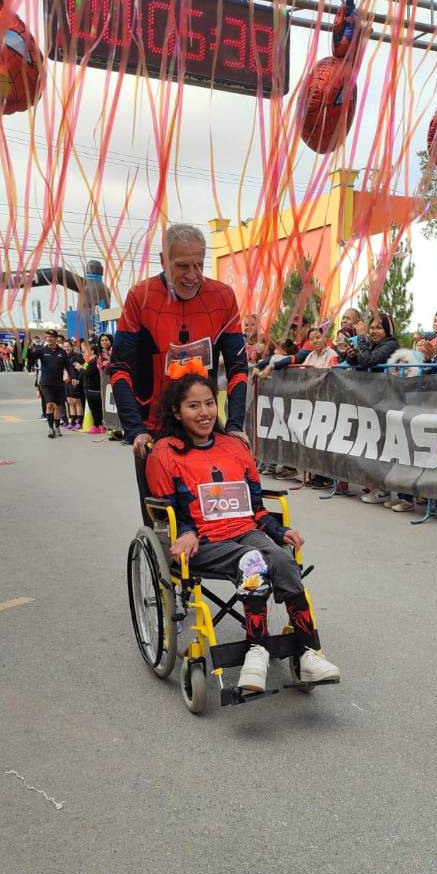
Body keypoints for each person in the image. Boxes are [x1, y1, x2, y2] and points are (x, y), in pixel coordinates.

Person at [145, 373, 340, 693]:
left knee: (280, 557)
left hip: (245, 531)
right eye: (193, 405)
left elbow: (257, 508)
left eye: (209, 403)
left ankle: (308, 652)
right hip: (203, 542)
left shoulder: (234, 447)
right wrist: (187, 533)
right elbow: (165, 514)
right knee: (253, 560)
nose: (204, 412)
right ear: (177, 412)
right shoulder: (165, 453)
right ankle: (258, 650)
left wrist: (280, 532)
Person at [109, 223, 248, 516]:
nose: (192, 275)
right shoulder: (140, 297)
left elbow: (238, 370)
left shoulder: (222, 297)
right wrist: (135, 430)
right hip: (153, 424)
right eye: (182, 266)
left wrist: (235, 426)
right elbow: (120, 369)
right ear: (163, 261)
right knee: (163, 516)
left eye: (199, 264)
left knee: (220, 507)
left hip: (202, 420)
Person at [34, 329, 70, 438]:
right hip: (46, 383)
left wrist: (72, 376)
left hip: (59, 383)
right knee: (49, 405)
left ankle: (57, 427)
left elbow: (68, 366)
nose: (49, 339)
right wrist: (25, 347)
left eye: (51, 337)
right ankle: (50, 428)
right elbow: (29, 356)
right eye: (47, 337)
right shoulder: (41, 350)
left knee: (58, 407)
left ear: (56, 339)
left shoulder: (62, 352)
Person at [63, 339, 85, 430]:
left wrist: (78, 379)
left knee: (77, 402)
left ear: (72, 347)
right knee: (70, 401)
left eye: (68, 346)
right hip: (66, 381)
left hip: (75, 381)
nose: (67, 348)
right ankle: (72, 421)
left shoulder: (78, 356)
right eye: (65, 347)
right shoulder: (63, 356)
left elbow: (81, 369)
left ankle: (79, 422)